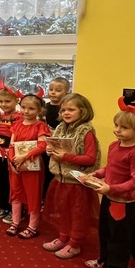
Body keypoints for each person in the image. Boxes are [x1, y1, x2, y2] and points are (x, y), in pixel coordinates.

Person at [81, 98, 135, 268]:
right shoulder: (114, 145)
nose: (118, 130)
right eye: (117, 125)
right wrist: (97, 174)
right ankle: (105, 261)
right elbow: (111, 167)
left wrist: (111, 188)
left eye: (124, 128)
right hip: (109, 198)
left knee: (118, 239)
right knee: (105, 232)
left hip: (122, 203)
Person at [42, 93, 101, 259]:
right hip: (60, 178)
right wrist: (50, 150)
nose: (66, 113)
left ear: (83, 111)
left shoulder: (86, 131)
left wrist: (65, 157)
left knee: (77, 214)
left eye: (71, 109)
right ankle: (63, 238)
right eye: (63, 110)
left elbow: (90, 158)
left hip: (76, 181)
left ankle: (74, 244)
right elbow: (57, 147)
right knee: (63, 211)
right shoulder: (61, 127)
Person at [6, 92, 50, 239]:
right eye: (23, 107)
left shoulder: (40, 126)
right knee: (16, 193)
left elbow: (43, 145)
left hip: (32, 167)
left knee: (33, 195)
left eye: (31, 108)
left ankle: (32, 226)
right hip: (16, 165)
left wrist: (25, 156)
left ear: (39, 110)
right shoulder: (17, 125)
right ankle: (15, 221)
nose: (26, 111)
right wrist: (12, 162)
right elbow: (11, 145)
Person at [0, 81, 22, 224]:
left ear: (17, 101)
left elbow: (18, 133)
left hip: (11, 155)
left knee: (12, 184)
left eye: (7, 101)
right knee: (0, 181)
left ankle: (14, 210)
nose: (3, 104)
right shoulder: (1, 116)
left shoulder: (19, 117)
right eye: (1, 101)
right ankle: (3, 207)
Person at [43, 77, 71, 200]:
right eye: (51, 89)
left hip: (59, 145)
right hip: (45, 143)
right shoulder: (45, 107)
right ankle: (44, 198)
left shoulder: (65, 110)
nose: (53, 92)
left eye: (58, 90)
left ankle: (56, 198)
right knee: (45, 171)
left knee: (55, 173)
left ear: (67, 93)